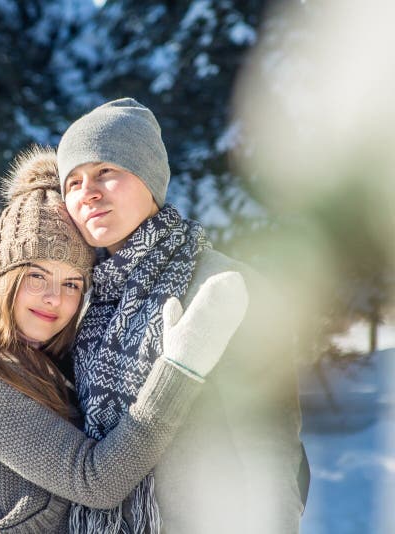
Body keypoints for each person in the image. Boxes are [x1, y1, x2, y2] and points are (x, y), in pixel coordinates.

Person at [0, 146, 249, 533]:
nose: (55, 298)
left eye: (72, 283)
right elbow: (96, 482)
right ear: (4, 281)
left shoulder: (52, 364)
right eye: (36, 276)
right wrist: (179, 369)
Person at [56, 97, 309, 533]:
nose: (88, 193)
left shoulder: (223, 284)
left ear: (150, 179)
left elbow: (268, 441)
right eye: (73, 182)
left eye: (105, 172)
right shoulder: (79, 299)